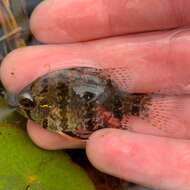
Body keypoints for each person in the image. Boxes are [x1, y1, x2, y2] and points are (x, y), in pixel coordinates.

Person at [1, 0, 190, 189]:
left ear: (43, 105)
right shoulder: (41, 92)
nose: (22, 106)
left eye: (27, 104)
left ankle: (142, 107)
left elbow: (69, 122)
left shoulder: (43, 97)